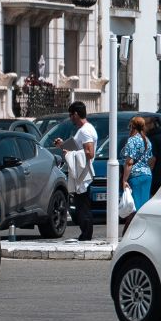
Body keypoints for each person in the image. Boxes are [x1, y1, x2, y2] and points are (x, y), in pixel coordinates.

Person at [52, 101, 97, 242]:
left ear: (76, 114)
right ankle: (85, 234)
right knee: (81, 206)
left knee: (82, 208)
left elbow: (89, 153)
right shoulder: (86, 129)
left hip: (83, 174)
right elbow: (77, 148)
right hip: (82, 172)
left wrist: (69, 154)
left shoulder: (85, 131)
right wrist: (63, 146)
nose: (70, 118)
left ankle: (86, 235)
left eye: (71, 115)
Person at [120, 116, 152, 234]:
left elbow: (129, 162)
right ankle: (142, 231)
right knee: (143, 206)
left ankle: (129, 233)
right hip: (147, 175)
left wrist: (124, 180)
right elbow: (150, 159)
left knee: (134, 207)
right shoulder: (147, 140)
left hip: (136, 176)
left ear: (132, 126)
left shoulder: (132, 140)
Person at [144, 116, 161, 194]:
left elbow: (152, 159)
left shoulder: (152, 139)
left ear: (150, 125)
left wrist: (146, 174)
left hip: (154, 179)